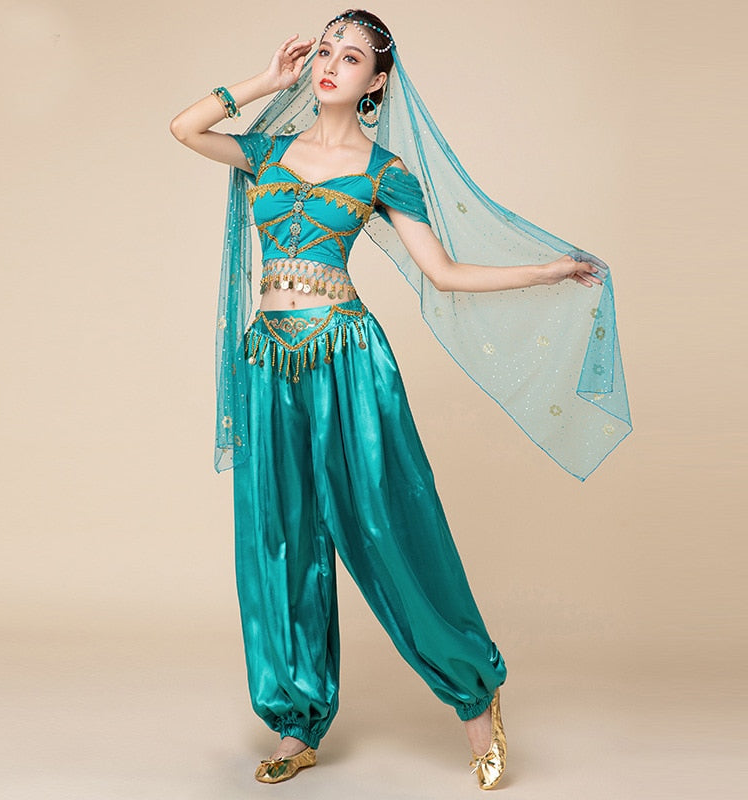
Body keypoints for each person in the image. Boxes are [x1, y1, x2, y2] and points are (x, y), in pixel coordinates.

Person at [170, 8, 612, 790]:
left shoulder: (384, 171)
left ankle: (475, 693)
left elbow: (443, 274)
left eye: (351, 57)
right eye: (325, 50)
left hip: (346, 358)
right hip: (268, 361)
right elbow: (185, 127)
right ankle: (296, 719)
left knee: (386, 527)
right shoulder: (267, 149)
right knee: (279, 536)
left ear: (377, 82)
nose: (329, 65)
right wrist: (265, 82)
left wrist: (546, 271)